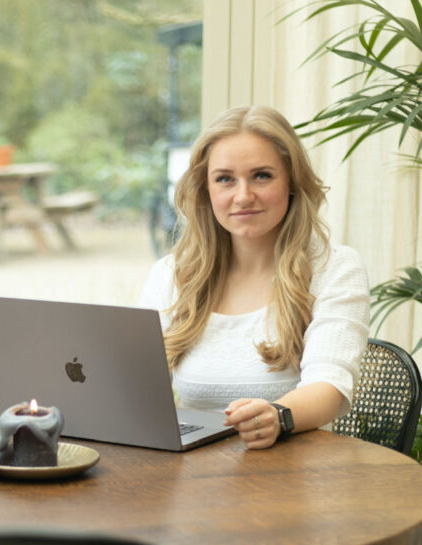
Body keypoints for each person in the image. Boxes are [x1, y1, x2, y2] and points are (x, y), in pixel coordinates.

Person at [138, 105, 370, 450]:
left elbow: (329, 387)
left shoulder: (334, 268)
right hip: (190, 477)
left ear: (291, 182)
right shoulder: (172, 275)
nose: (243, 196)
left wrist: (277, 417)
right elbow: (134, 384)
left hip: (290, 477)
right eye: (225, 179)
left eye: (261, 175)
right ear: (206, 190)